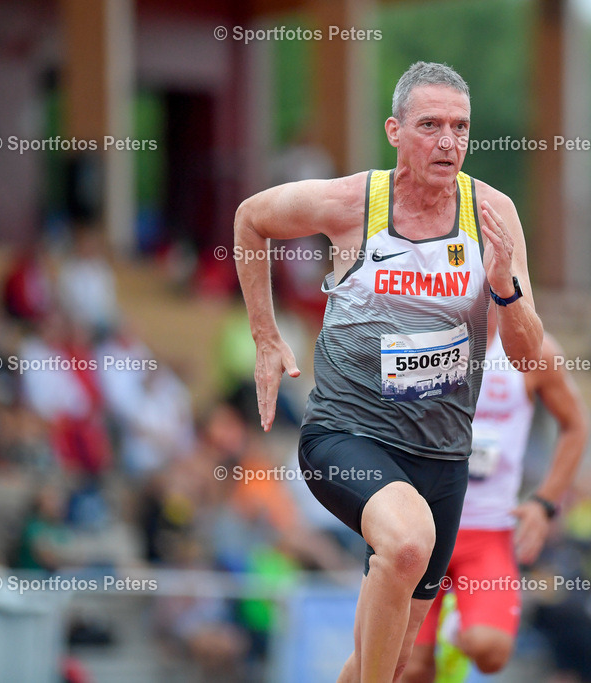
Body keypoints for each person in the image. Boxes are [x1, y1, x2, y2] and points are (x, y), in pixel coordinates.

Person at [233, 61, 543, 682]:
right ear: (395, 131)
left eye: (460, 127)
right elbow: (251, 219)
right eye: (431, 125)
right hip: (348, 438)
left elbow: (532, 357)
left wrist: (505, 289)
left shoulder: (492, 214)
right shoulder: (354, 203)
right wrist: (266, 336)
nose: (448, 142)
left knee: (395, 661)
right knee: (404, 546)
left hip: (443, 459)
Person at [402, 307, 589, 681]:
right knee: (411, 668)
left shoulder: (535, 352)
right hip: (422, 527)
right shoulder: (416, 344)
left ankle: (456, 626)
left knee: (490, 653)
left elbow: (575, 425)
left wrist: (544, 502)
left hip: (488, 529)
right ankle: (435, 633)